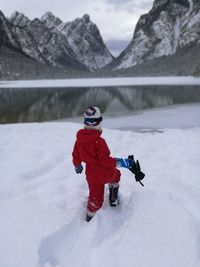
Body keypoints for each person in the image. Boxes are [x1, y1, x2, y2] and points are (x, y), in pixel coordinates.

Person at [72, 105, 134, 222]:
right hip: (105, 172)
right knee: (116, 175)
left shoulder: (79, 141)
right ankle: (113, 198)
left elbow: (76, 155)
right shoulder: (99, 142)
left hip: (91, 174)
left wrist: (77, 165)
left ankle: (90, 214)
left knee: (95, 195)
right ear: (98, 123)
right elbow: (105, 161)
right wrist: (121, 162)